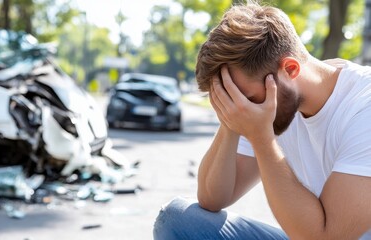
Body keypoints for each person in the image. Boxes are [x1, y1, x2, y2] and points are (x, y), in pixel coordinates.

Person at [153, 2, 371, 240]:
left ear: (290, 69)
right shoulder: (272, 101)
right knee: (178, 219)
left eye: (245, 98)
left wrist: (262, 139)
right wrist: (230, 123)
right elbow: (212, 198)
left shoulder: (363, 104)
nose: (243, 109)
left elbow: (326, 237)